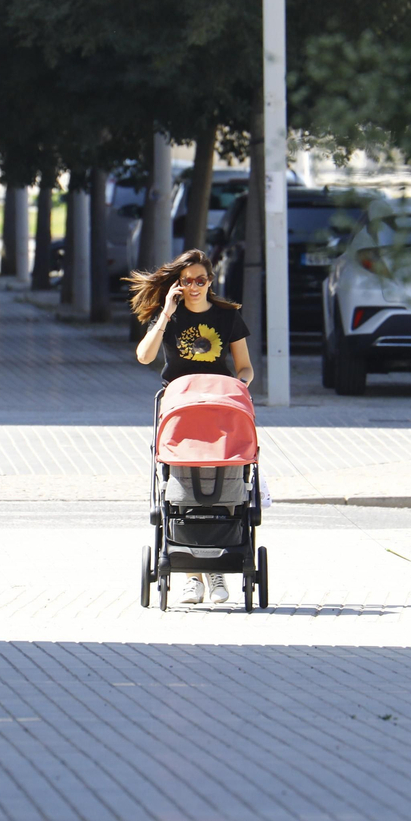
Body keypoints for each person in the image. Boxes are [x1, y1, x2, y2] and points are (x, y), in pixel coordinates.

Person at [129, 249, 254, 605]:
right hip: (181, 411)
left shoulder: (228, 316)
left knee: (223, 483)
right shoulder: (170, 315)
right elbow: (145, 356)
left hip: (220, 412)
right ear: (178, 284)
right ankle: (192, 575)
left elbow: (244, 367)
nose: (194, 286)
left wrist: (239, 390)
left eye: (201, 280)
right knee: (182, 486)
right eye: (187, 281)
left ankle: (216, 568)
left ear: (210, 281)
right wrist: (167, 311)